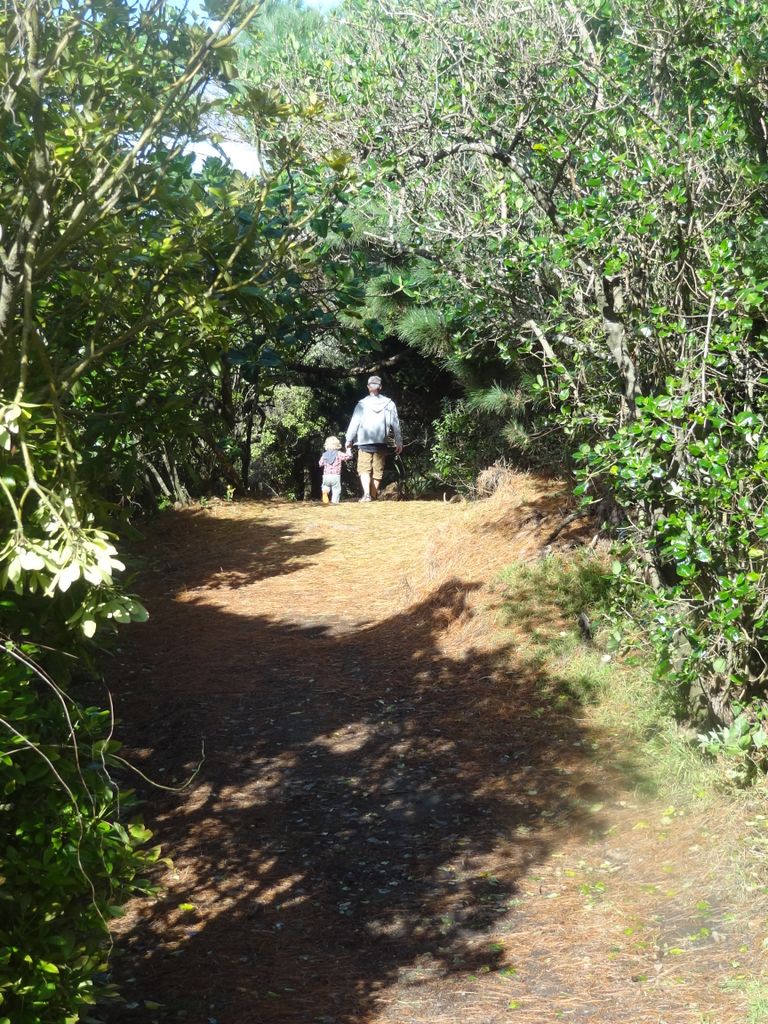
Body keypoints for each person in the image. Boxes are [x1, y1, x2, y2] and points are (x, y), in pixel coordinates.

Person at [344, 375, 402, 502]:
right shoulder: (389, 404)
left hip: (364, 442)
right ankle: (373, 495)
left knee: (364, 469)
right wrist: (399, 442)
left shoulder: (361, 404)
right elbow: (395, 424)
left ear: (368, 387)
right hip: (381, 442)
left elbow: (354, 423)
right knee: (378, 471)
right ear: (380, 387)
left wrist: (348, 440)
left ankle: (366, 495)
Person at [318, 435, 352, 505]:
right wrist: (348, 449)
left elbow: (320, 463)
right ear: (337, 445)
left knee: (326, 486)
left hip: (326, 476)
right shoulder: (338, 454)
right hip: (335, 476)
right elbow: (348, 456)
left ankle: (325, 492)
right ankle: (334, 502)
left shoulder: (324, 455)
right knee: (336, 489)